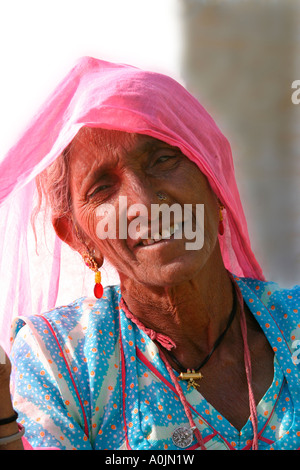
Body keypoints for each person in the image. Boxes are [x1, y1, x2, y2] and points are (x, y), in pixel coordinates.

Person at [0, 57, 299, 451]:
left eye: (163, 159)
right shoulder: (62, 361)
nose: (142, 203)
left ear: (214, 179)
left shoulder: (291, 324)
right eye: (102, 188)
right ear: (79, 238)